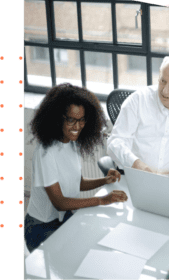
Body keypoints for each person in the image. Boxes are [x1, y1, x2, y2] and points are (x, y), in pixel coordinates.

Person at [24, 83, 128, 253]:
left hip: (65, 218)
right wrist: (102, 200)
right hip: (40, 228)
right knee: (75, 257)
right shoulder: (45, 153)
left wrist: (104, 180)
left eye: (81, 120)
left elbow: (77, 183)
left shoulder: (72, 144)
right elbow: (60, 202)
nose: (77, 126)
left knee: (98, 243)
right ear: (58, 118)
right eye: (71, 120)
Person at [107, 56, 169, 182]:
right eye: (162, 81)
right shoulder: (137, 100)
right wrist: (136, 163)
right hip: (135, 177)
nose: (165, 90)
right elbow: (114, 143)